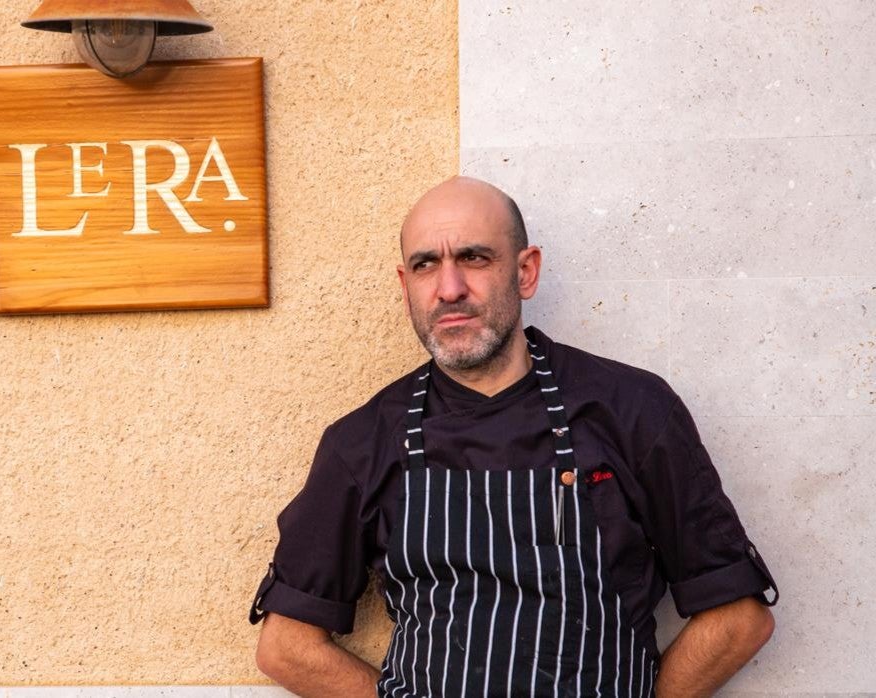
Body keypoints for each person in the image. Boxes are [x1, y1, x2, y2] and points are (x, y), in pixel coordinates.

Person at [248, 176, 778, 697]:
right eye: (425, 265)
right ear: (405, 286)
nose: (449, 289)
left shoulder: (632, 410)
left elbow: (737, 616)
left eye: (475, 258)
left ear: (526, 272)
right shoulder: (362, 441)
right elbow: (286, 645)